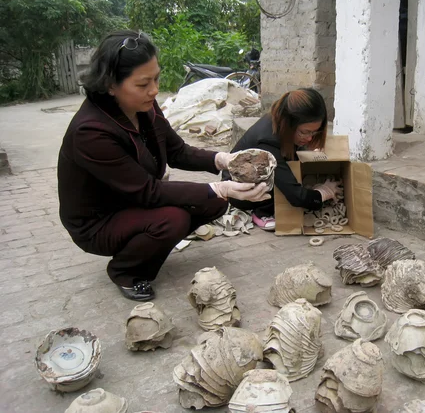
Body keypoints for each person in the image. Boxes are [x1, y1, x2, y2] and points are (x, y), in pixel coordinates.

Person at [57, 30, 270, 301]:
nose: (154, 90)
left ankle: (148, 244)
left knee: (214, 202)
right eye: (143, 83)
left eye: (156, 78)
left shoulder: (144, 107)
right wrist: (221, 186)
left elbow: (177, 151)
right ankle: (125, 270)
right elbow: (149, 192)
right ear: (110, 84)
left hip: (131, 198)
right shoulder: (90, 132)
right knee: (174, 219)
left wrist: (224, 159)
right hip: (99, 221)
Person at [223, 88, 342, 231]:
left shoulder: (279, 118)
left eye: (314, 132)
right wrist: (323, 193)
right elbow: (297, 197)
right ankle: (262, 211)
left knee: (289, 178)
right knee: (285, 189)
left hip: (259, 170)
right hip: (239, 190)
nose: (310, 138)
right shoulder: (268, 142)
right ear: (289, 124)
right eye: (305, 132)